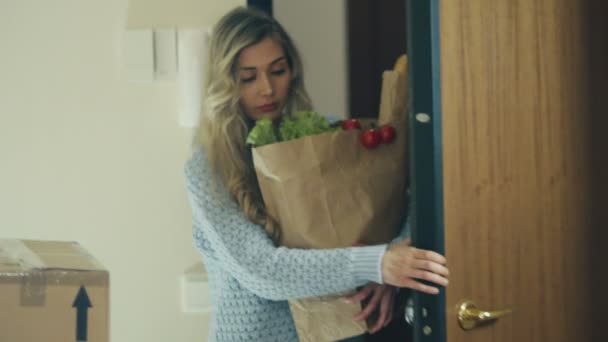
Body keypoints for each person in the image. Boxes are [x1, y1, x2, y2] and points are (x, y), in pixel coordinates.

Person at [184, 6, 449, 342]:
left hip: (343, 332)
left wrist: (388, 266)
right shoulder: (207, 169)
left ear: (292, 72)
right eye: (248, 77)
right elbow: (262, 270)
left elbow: (407, 198)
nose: (267, 89)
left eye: (277, 71)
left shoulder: (325, 136)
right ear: (224, 83)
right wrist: (377, 263)